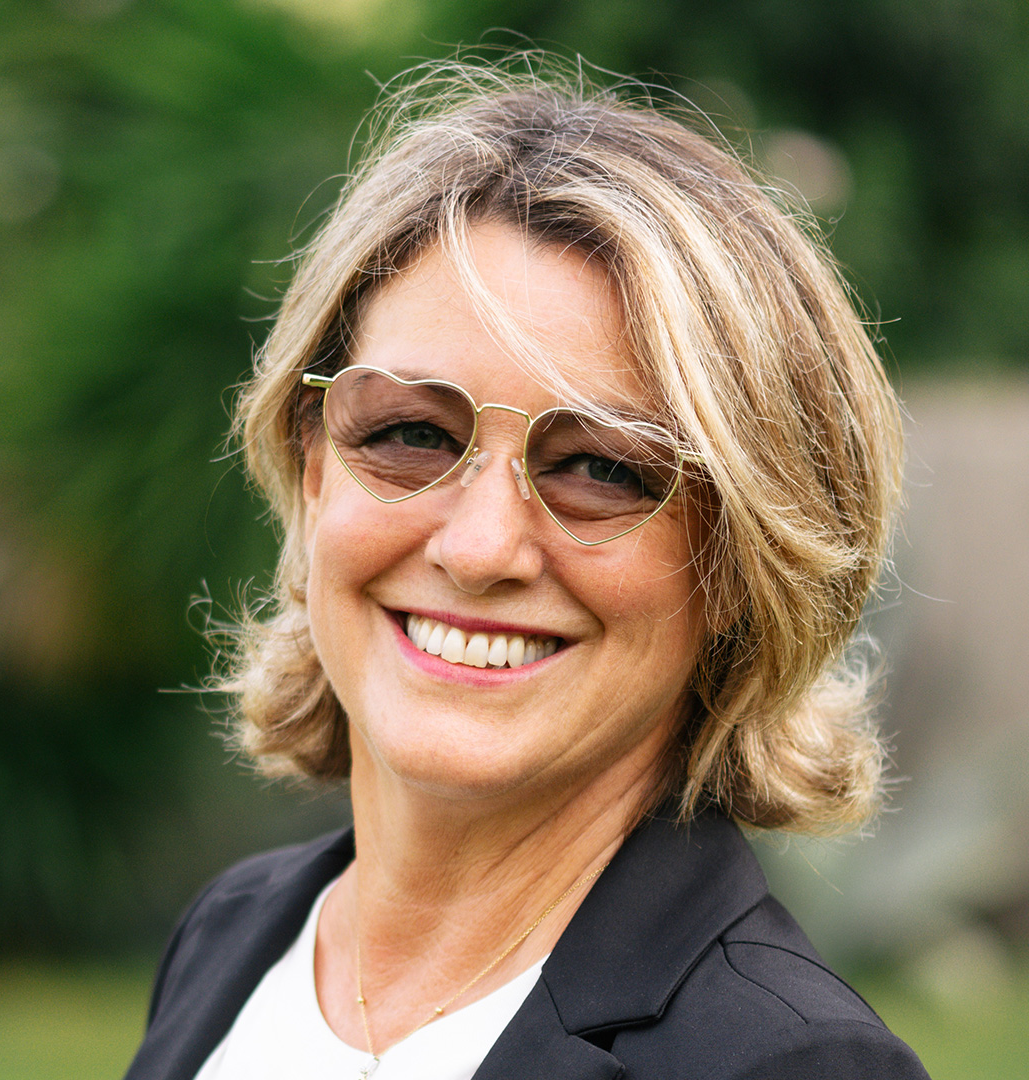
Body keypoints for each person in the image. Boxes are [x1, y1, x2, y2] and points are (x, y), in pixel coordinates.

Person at [125, 57, 930, 1080]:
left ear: (740, 562)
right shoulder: (235, 936)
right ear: (314, 467)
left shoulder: (788, 1064)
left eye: (602, 468)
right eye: (412, 433)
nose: (478, 549)